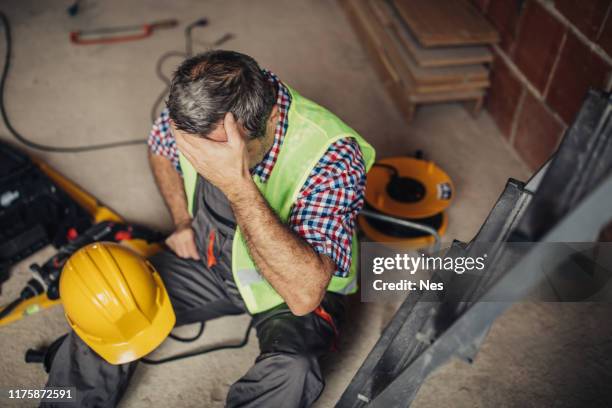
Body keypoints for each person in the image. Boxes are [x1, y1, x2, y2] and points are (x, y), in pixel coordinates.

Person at [43, 50, 375, 407]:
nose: (205, 161)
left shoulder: (333, 156)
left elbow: (303, 295)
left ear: (272, 118)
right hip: (209, 256)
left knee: (294, 370)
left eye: (220, 153)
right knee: (108, 306)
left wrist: (238, 186)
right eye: (197, 152)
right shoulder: (198, 115)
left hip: (287, 290)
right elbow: (159, 146)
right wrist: (182, 221)